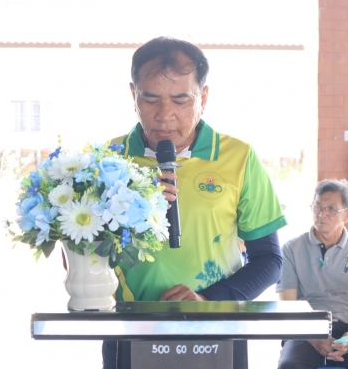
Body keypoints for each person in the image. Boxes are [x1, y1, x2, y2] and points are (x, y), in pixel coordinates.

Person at [102, 36, 287, 368]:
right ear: (133, 95)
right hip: (129, 329)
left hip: (217, 331)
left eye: (180, 100)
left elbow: (269, 261)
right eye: (150, 98)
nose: (165, 115)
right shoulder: (107, 160)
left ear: (203, 97)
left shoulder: (239, 158)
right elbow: (82, 253)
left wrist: (208, 300)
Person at [276, 179, 348, 369]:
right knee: (289, 366)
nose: (322, 214)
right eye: (318, 207)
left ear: (347, 215)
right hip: (304, 332)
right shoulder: (292, 249)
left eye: (331, 209)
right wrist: (313, 337)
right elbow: (288, 306)